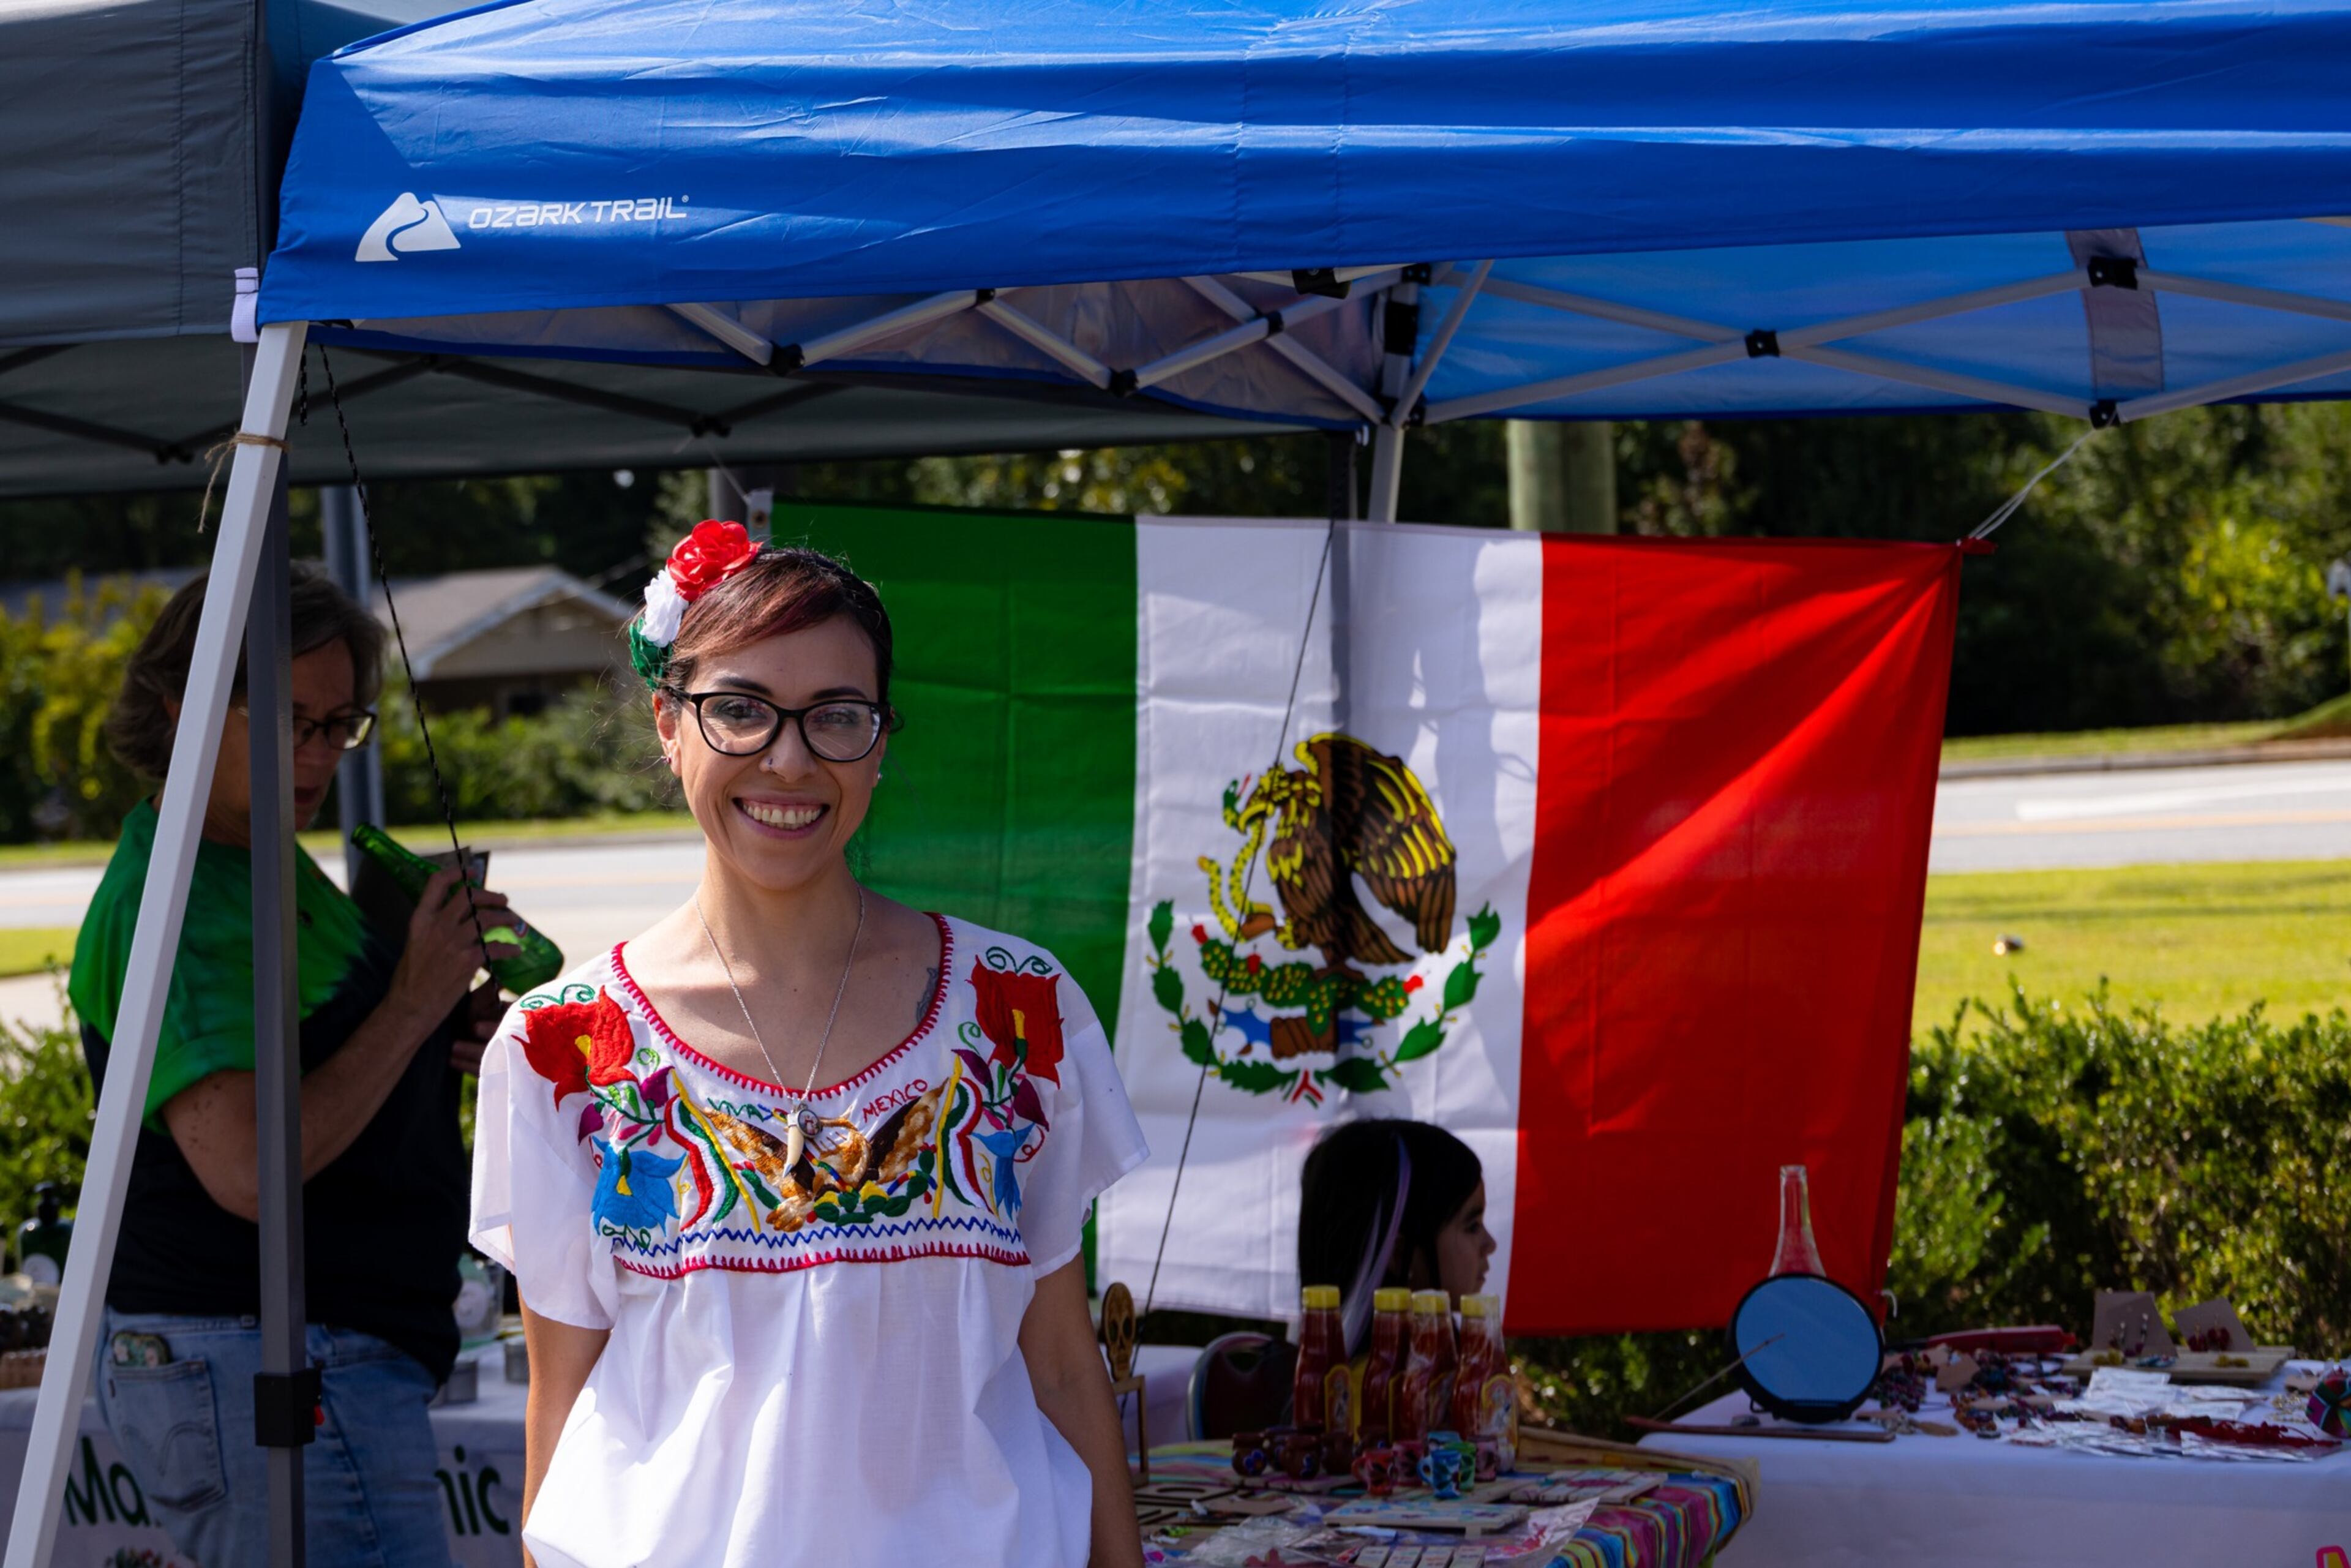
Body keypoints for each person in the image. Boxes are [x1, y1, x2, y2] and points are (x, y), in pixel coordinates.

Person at [471, 524, 1149, 1568]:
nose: (788, 759)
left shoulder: (1017, 1009)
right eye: (740, 710)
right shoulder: (563, 1047)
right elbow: (564, 1411)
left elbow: (1061, 1363)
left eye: (837, 717)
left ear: (881, 741)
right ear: (669, 724)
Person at [70, 563, 513, 1568]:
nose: (312, 756)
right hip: (273, 1358)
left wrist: (443, 1028)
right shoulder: (178, 897)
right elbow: (250, 1170)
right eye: (286, 720)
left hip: (310, 1355)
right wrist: (408, 1005)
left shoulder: (257, 857)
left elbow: (342, 1068)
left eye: (336, 725)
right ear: (181, 707)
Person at [1297, 1119, 1497, 1354]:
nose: (1490, 1245)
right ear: (1399, 1252)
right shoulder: (1382, 1386)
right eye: (1472, 1226)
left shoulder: (1335, 1377)